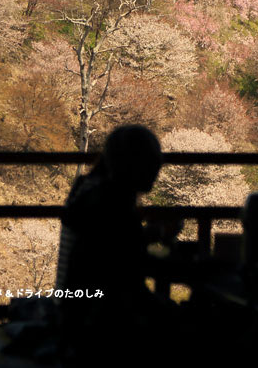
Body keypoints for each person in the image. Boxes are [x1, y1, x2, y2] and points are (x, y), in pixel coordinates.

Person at [55, 125, 178, 360]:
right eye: (152, 165)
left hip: (72, 311)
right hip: (99, 321)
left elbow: (111, 247)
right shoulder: (112, 200)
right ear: (132, 165)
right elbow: (126, 268)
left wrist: (150, 234)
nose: (155, 173)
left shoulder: (87, 188)